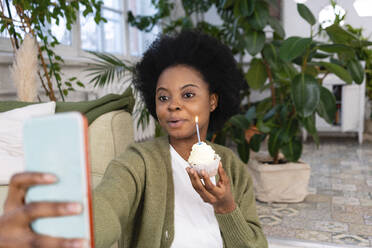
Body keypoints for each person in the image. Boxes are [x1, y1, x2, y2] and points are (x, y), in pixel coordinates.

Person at [0, 31, 268, 248]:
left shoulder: (231, 166)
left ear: (212, 101)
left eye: (187, 95)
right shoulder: (137, 162)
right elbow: (107, 206)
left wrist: (226, 207)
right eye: (163, 97)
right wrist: (73, 233)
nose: (173, 105)